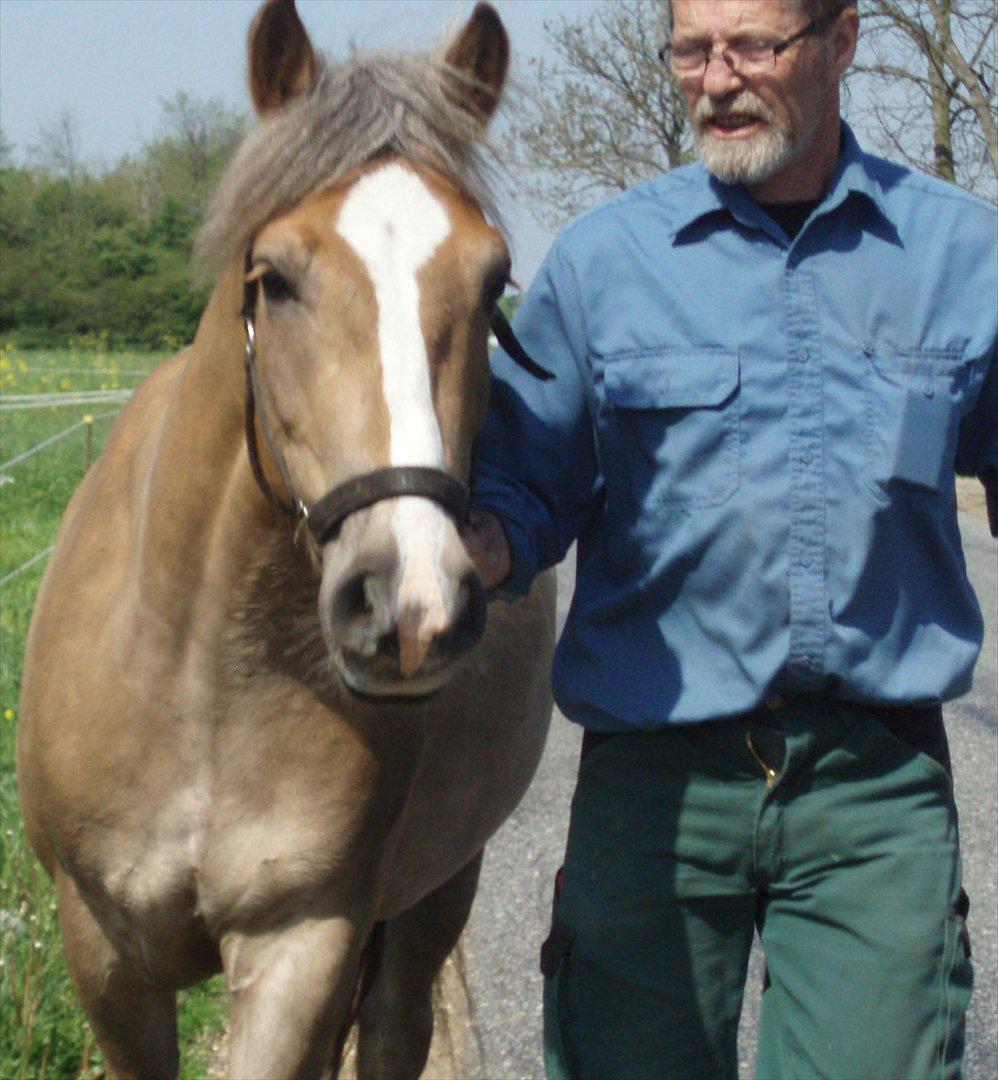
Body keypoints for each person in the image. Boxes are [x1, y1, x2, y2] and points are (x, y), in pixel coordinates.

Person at [462, 1, 997, 1077]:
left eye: (751, 45)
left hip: (872, 788)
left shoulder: (963, 255)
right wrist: (449, 555)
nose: (714, 79)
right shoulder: (602, 263)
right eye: (689, 50)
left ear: (840, 42)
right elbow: (521, 488)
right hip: (653, 782)